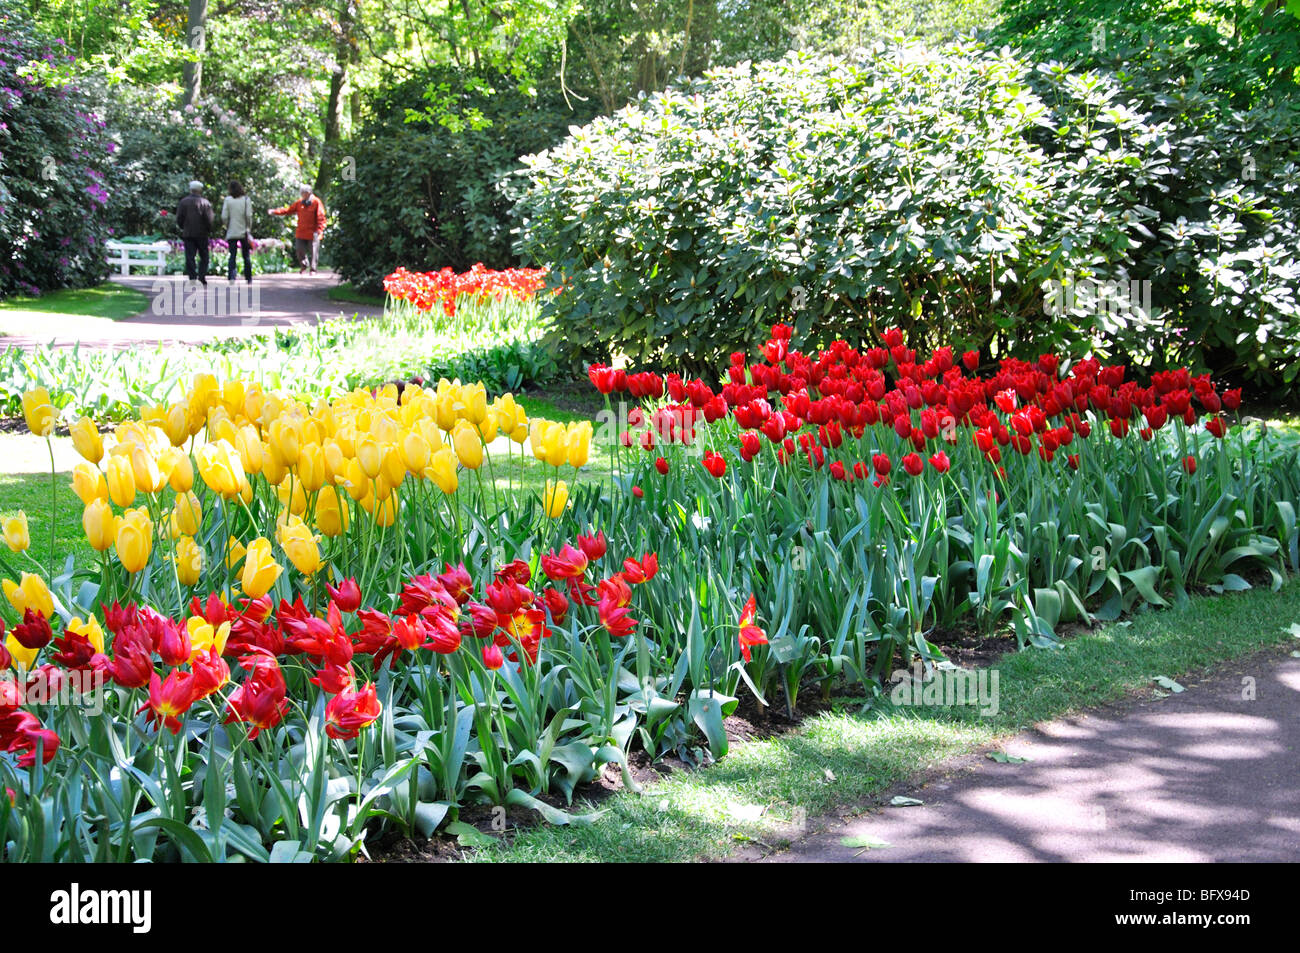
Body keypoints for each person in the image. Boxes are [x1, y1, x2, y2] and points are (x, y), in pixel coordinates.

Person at [270, 184, 327, 274]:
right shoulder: (299, 202)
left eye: (303, 193)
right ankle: (304, 265)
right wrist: (275, 211)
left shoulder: (316, 202)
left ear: (308, 193)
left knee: (314, 251)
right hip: (301, 232)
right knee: (299, 249)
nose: (302, 195)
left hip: (314, 232)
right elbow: (288, 210)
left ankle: (313, 269)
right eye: (301, 193)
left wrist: (319, 230)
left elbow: (321, 217)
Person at [176, 180, 214, 285]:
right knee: (204, 256)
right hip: (202, 234)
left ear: (190, 189)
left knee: (190, 256)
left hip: (188, 233)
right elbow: (209, 219)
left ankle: (192, 277)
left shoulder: (183, 202)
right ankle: (201, 277)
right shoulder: (205, 203)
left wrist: (183, 227)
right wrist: (209, 229)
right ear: (200, 190)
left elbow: (179, 218)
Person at [221, 180, 255, 284]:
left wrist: (227, 226)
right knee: (246, 256)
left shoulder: (228, 200)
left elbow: (224, 216)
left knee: (232, 255)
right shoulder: (246, 200)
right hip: (244, 231)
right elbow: (249, 216)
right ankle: (248, 278)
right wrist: (248, 228)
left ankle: (232, 277)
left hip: (232, 231)